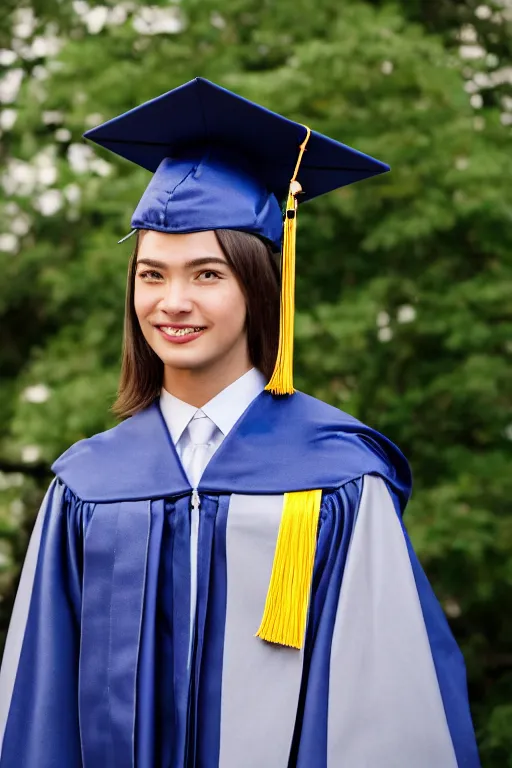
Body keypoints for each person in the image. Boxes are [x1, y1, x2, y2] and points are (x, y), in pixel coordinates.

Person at [0, 78, 480, 768]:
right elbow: (37, 710)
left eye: (206, 274)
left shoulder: (337, 477)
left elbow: (389, 705)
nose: (172, 302)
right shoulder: (87, 487)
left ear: (258, 287)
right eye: (151, 275)